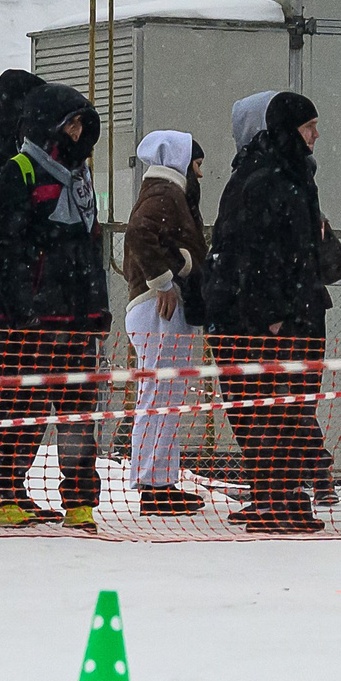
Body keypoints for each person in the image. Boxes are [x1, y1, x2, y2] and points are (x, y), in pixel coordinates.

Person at [0, 71, 107, 529]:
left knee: (77, 416)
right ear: (48, 126)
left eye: (82, 126)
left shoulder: (82, 180)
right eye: (71, 124)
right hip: (28, 322)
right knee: (17, 412)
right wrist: (20, 310)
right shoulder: (19, 172)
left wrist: (99, 309)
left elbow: (93, 250)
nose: (77, 134)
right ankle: (0, 496)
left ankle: (80, 501)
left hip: (75, 321)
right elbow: (8, 251)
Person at [212, 91, 331, 532]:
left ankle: (272, 496)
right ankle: (278, 500)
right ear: (286, 131)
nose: (316, 136)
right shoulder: (268, 178)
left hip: (288, 315)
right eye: (308, 127)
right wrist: (273, 313)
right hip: (274, 323)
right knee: (277, 413)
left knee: (280, 411)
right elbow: (250, 252)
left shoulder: (288, 174)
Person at [121, 129, 210, 515]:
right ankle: (154, 485)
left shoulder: (163, 191)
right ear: (181, 161)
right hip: (159, 309)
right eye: (198, 163)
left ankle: (160, 480)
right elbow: (141, 233)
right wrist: (164, 280)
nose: (201, 174)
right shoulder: (166, 193)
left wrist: (180, 262)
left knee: (165, 393)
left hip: (158, 308)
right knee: (161, 393)